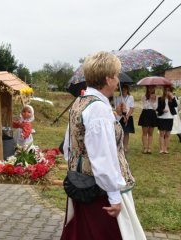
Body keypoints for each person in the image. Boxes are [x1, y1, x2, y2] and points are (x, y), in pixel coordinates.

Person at [60, 51, 145, 240]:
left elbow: (68, 146)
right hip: (100, 194)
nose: (117, 80)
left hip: (81, 185)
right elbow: (104, 158)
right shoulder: (98, 108)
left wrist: (79, 170)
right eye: (116, 75)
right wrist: (114, 197)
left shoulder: (80, 101)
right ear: (108, 79)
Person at [157, 86, 178, 154]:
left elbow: (175, 105)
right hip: (161, 118)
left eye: (168, 90)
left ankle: (165, 149)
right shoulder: (160, 98)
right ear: (164, 91)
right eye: (166, 90)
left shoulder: (172, 99)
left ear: (170, 91)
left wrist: (172, 97)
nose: (167, 91)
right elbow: (157, 108)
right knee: (162, 134)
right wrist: (163, 110)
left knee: (167, 134)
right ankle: (161, 149)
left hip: (170, 118)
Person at [114, 84, 135, 152]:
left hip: (128, 116)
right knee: (120, 132)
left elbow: (132, 108)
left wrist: (127, 116)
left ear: (127, 90)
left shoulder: (130, 97)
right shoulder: (118, 98)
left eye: (125, 89)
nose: (123, 91)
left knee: (126, 133)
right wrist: (122, 116)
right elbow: (116, 109)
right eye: (122, 90)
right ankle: (120, 146)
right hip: (120, 117)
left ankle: (125, 147)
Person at [138, 86, 158, 154]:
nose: (151, 89)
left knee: (150, 133)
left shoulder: (156, 97)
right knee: (144, 133)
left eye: (152, 88)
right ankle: (145, 148)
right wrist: (149, 99)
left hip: (152, 114)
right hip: (145, 113)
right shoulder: (143, 96)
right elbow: (145, 106)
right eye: (149, 88)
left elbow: (155, 107)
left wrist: (153, 100)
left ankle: (149, 148)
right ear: (147, 89)